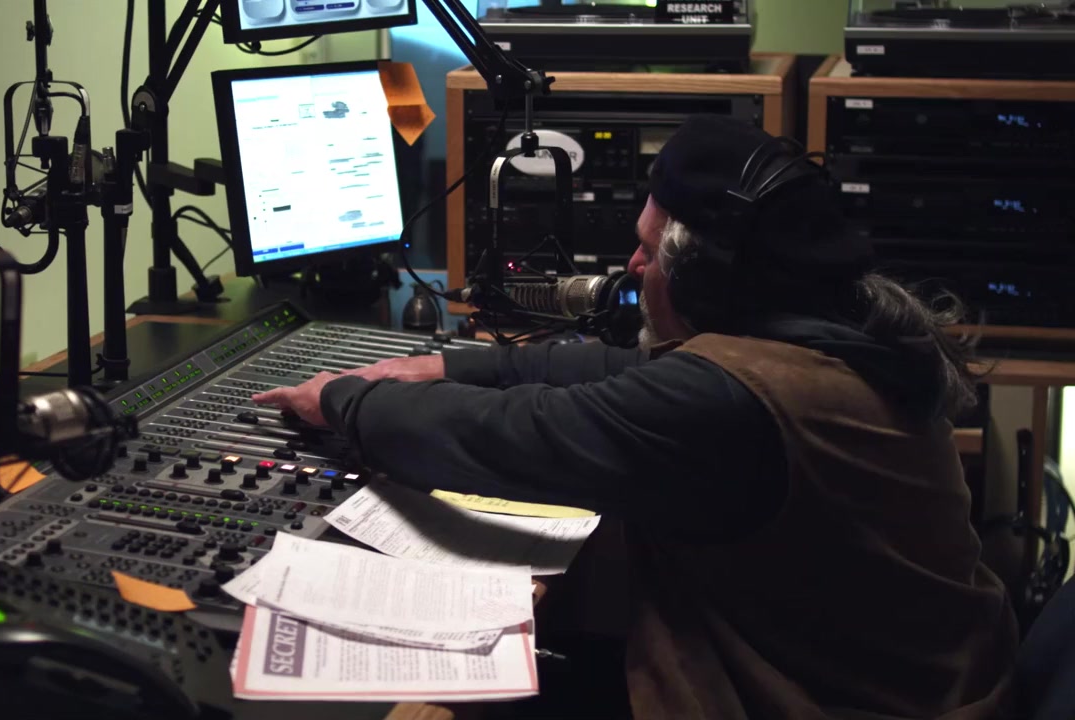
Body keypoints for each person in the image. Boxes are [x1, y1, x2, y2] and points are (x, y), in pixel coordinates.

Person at [253, 115, 1018, 719]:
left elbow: (509, 438)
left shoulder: (724, 402)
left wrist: (340, 400)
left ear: (709, 281)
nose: (633, 267)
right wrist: (449, 366)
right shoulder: (827, 333)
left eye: (650, 250)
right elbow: (612, 369)